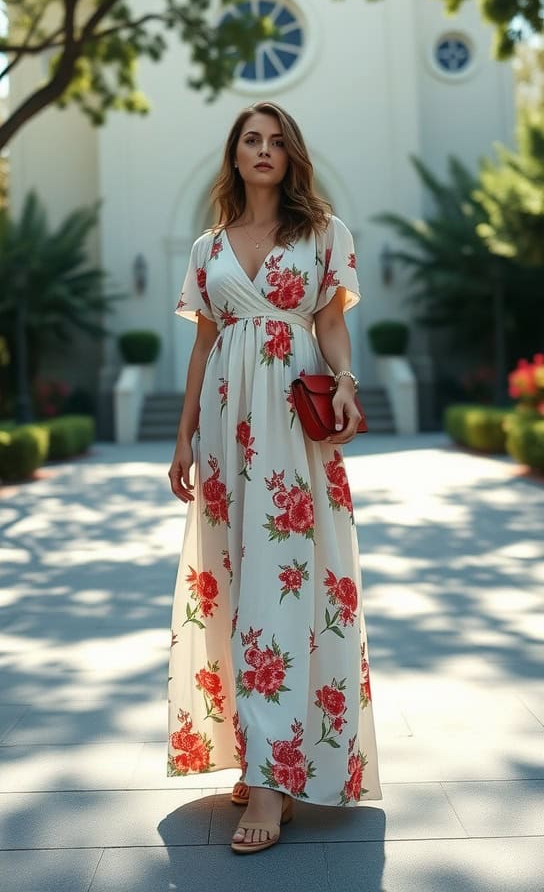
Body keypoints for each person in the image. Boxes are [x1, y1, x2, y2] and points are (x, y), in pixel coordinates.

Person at [168, 101, 382, 854]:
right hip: (229, 430)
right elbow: (202, 346)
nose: (263, 151)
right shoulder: (206, 247)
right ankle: (262, 758)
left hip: (293, 426)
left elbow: (329, 324)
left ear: (292, 155)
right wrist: (184, 436)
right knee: (234, 582)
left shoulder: (325, 233)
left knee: (287, 582)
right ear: (235, 156)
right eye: (249, 141)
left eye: (275, 141)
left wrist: (347, 380)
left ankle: (274, 781)